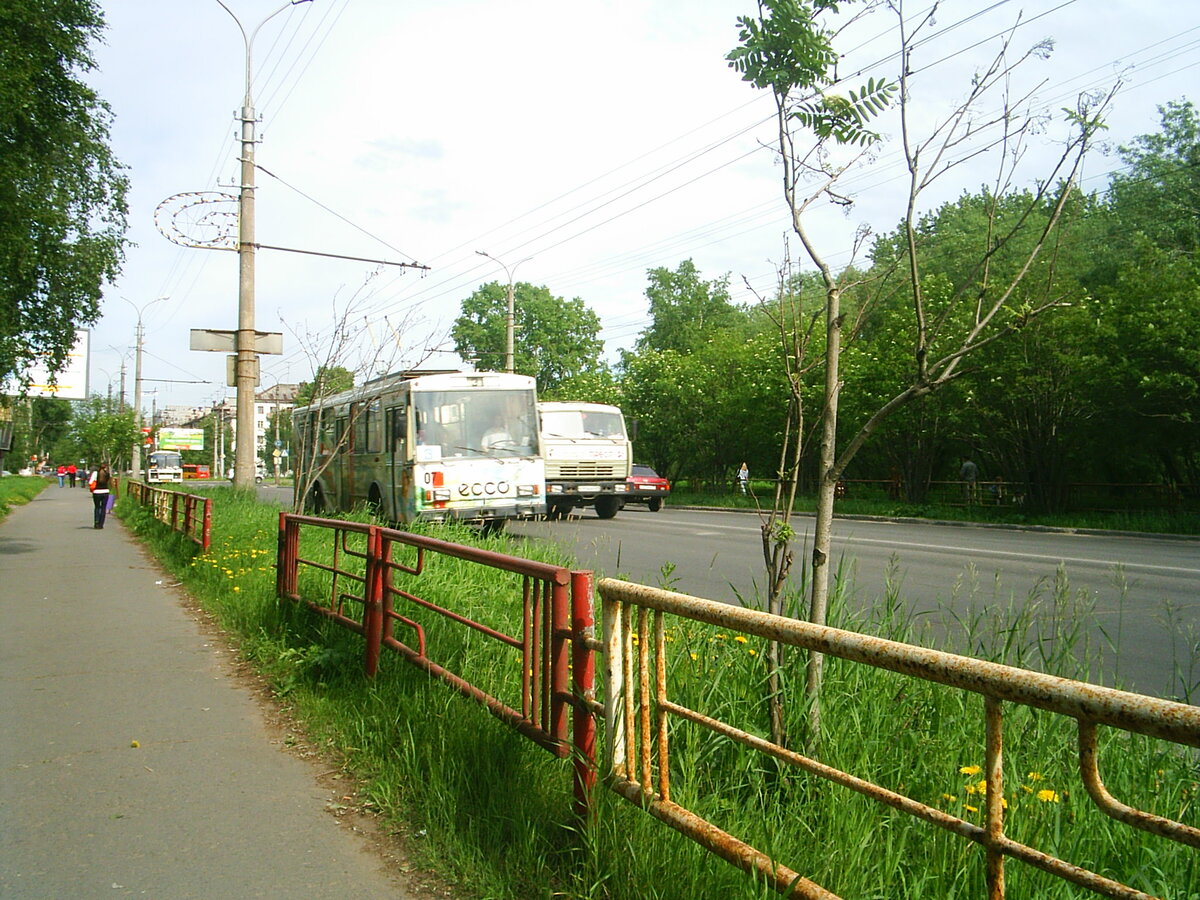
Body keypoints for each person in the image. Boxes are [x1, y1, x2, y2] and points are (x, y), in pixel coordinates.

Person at [88, 463, 112, 529]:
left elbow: (90, 482)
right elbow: (110, 483)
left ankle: (96, 523)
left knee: (97, 507)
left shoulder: (95, 473)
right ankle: (101, 524)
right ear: (106, 467)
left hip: (97, 492)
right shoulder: (107, 474)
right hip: (105, 492)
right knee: (103, 508)